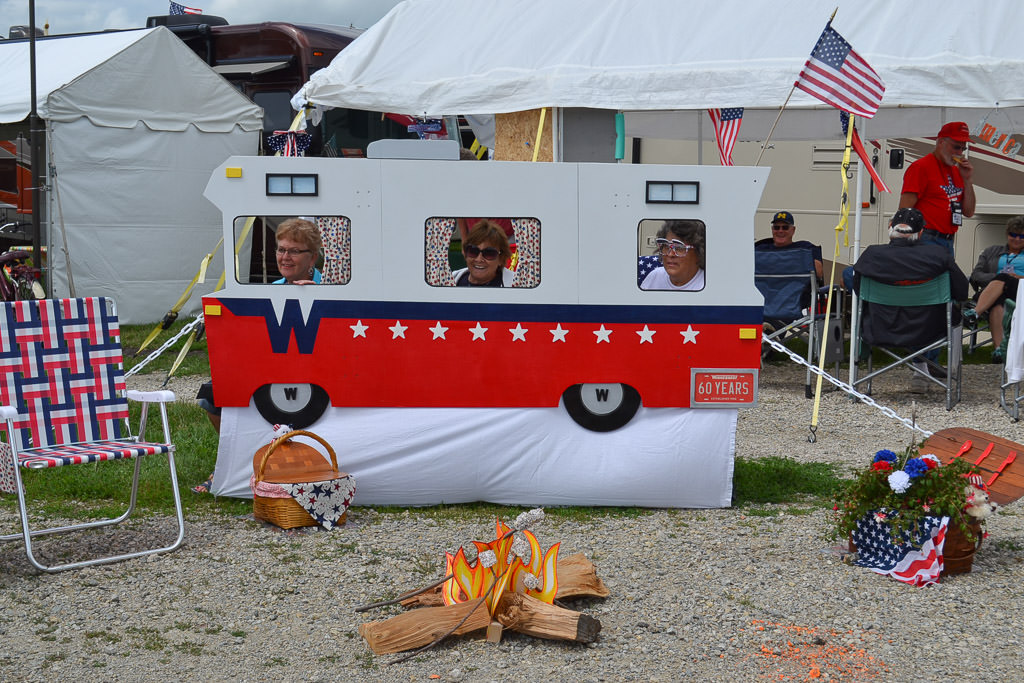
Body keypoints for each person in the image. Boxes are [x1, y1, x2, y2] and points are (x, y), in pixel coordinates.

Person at [192, 218, 323, 493]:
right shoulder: (272, 287)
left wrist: (317, 295)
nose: (285, 257)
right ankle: (231, 464)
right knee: (212, 395)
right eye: (281, 249)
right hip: (271, 368)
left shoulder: (331, 287)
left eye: (294, 251)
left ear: (312, 257)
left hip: (313, 372)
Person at [853, 207, 968, 393]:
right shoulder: (938, 256)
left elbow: (858, 289)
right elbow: (961, 291)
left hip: (881, 327)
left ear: (890, 228)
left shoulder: (871, 255)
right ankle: (928, 374)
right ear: (921, 232)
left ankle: (866, 384)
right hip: (929, 329)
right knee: (934, 312)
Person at [899, 121, 976, 254]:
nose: (959, 153)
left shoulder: (957, 171)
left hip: (948, 240)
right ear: (941, 142)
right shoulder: (920, 167)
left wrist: (967, 180)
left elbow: (968, 212)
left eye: (963, 149)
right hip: (925, 238)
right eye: (956, 147)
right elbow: (904, 210)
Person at [963, 215, 1024, 362]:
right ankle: (999, 350)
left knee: (1005, 278)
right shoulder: (991, 251)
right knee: (998, 302)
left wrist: (1018, 277)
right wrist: (997, 278)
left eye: (1022, 236)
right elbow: (976, 275)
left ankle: (974, 313)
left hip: (1019, 291)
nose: (1017, 239)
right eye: (1013, 235)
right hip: (991, 294)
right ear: (1007, 234)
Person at [755, 211, 823, 282]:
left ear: (793, 230)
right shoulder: (760, 249)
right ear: (772, 229)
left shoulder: (806, 247)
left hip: (798, 288)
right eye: (776, 227)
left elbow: (819, 272)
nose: (780, 231)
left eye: (785, 227)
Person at [640, 220, 705, 291]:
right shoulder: (654, 277)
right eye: (666, 246)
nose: (670, 254)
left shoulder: (708, 285)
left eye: (679, 248)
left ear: (699, 252)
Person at [452, 219, 515, 287]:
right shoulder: (450, 280)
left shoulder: (516, 284)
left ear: (501, 258)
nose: (479, 259)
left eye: (489, 253)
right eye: (473, 251)